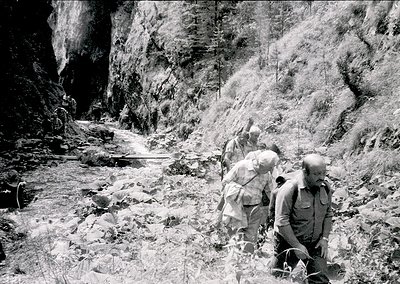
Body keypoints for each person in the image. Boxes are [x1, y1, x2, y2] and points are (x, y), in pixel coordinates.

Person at [270, 154, 333, 284]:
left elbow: (328, 214)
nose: (321, 177)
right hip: (289, 243)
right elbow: (281, 222)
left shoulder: (325, 187)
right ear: (305, 172)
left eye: (323, 173)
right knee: (278, 277)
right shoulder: (290, 189)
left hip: (316, 244)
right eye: (316, 174)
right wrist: (297, 246)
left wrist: (325, 239)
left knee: (320, 279)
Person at [221, 150, 279, 254]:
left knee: (251, 238)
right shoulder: (242, 166)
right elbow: (225, 182)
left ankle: (247, 262)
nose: (272, 169)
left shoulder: (267, 174)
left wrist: (278, 206)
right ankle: (234, 260)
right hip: (237, 207)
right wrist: (240, 192)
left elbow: (271, 192)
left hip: (254, 209)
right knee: (235, 235)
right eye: (270, 167)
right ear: (261, 164)